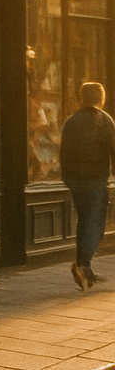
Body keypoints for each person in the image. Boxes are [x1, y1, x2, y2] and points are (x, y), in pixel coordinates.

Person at [59, 81, 115, 291]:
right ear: (100, 98)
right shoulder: (104, 120)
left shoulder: (71, 121)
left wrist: (67, 177)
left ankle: (83, 264)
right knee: (96, 224)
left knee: (85, 221)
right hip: (95, 180)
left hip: (75, 181)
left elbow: (63, 152)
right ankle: (84, 264)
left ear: (82, 97)